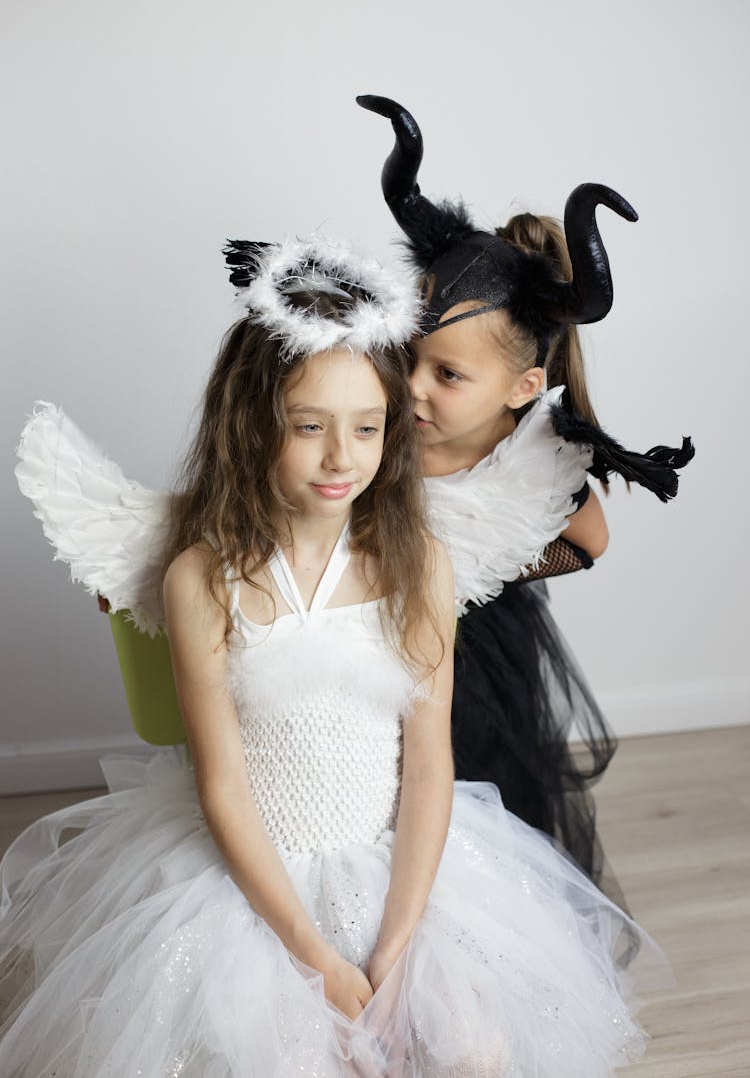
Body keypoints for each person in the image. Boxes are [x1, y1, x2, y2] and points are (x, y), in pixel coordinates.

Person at [3, 236, 665, 1075]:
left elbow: (428, 763)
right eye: (308, 426)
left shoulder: (419, 561)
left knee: (475, 1048)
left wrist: (400, 942)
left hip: (401, 869)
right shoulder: (201, 578)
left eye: (366, 427)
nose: (340, 457)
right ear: (253, 422)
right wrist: (312, 954)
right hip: (254, 883)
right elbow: (222, 783)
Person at [357, 94, 694, 903]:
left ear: (524, 386)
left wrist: (485, 569)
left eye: (447, 374)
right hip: (369, 631)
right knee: (372, 800)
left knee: (473, 807)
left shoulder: (535, 452)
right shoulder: (374, 425)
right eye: (412, 357)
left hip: (475, 655)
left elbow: (590, 541)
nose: (415, 388)